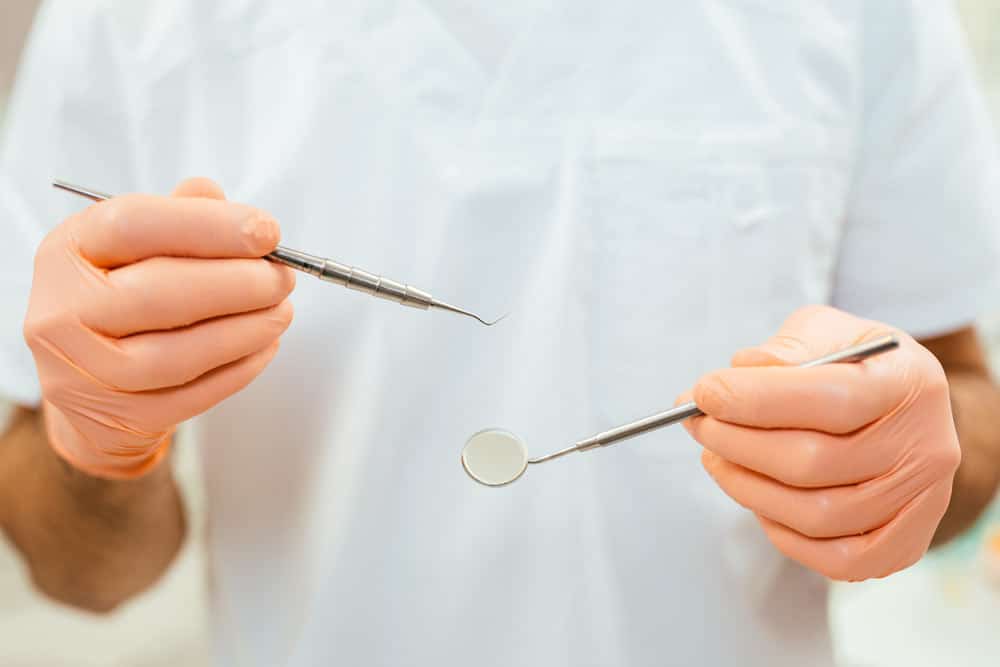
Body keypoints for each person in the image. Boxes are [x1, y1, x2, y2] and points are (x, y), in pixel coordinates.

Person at [2, 1, 1000, 665]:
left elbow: (963, 401)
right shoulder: (126, 22)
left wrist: (903, 464)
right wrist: (98, 450)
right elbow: (80, 574)